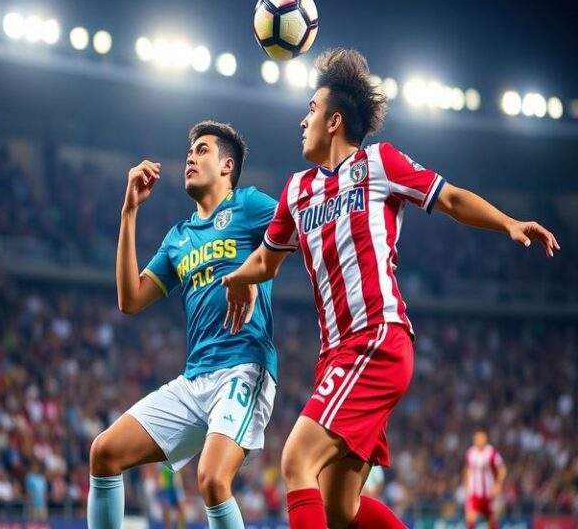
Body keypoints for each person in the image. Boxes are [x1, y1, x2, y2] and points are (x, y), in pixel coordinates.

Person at [221, 48, 559, 529]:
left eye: (311, 110)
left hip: (376, 338)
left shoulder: (378, 163)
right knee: (340, 509)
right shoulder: (296, 191)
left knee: (296, 460)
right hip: (336, 355)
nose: (302, 121)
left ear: (335, 121)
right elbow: (267, 260)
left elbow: (453, 198)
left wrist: (508, 223)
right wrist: (238, 277)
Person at [88, 121, 279, 529]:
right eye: (190, 151)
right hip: (195, 381)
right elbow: (130, 299)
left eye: (203, 150)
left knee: (211, 479)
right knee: (104, 452)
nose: (190, 156)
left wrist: (251, 273)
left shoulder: (250, 205)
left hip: (244, 368)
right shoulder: (179, 237)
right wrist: (129, 212)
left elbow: (297, 225)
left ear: (227, 165)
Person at [463, 427, 506, 529]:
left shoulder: (492, 452)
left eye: (481, 437)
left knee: (491, 519)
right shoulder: (470, 452)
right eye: (477, 437)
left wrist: (498, 484)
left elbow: (502, 470)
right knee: (470, 518)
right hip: (474, 492)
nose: (479, 440)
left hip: (488, 492)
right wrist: (466, 486)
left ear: (486, 438)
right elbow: (467, 469)